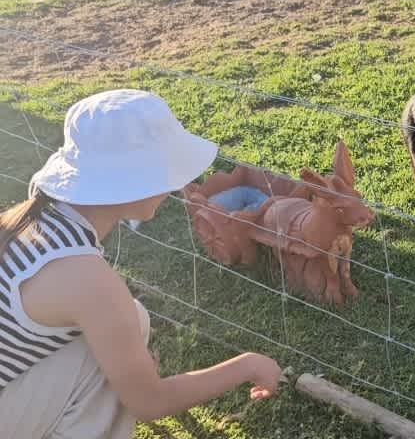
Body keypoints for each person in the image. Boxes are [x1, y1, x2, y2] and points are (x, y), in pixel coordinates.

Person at [0, 89, 282, 438]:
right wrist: (247, 365)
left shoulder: (32, 223)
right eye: (166, 171)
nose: (177, 185)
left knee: (130, 321)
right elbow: (150, 402)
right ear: (132, 182)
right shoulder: (85, 278)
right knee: (117, 343)